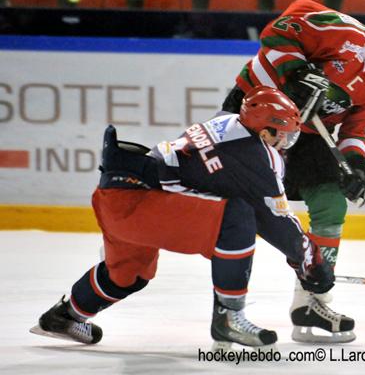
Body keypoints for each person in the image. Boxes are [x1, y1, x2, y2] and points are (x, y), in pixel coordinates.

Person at [30, 86, 335, 351]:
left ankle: (65, 316)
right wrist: (312, 264)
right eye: (283, 136)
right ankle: (229, 317)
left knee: (128, 275)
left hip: (117, 194)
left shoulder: (226, 122)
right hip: (140, 203)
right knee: (237, 217)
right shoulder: (257, 155)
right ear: (266, 131)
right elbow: (278, 222)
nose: (284, 145)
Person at [222, 0, 365, 343]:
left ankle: (311, 301)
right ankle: (227, 313)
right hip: (251, 119)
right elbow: (279, 32)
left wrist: (359, 164)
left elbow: (359, 131)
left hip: (301, 134)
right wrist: (298, 71)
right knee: (230, 209)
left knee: (332, 199)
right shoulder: (340, 32)